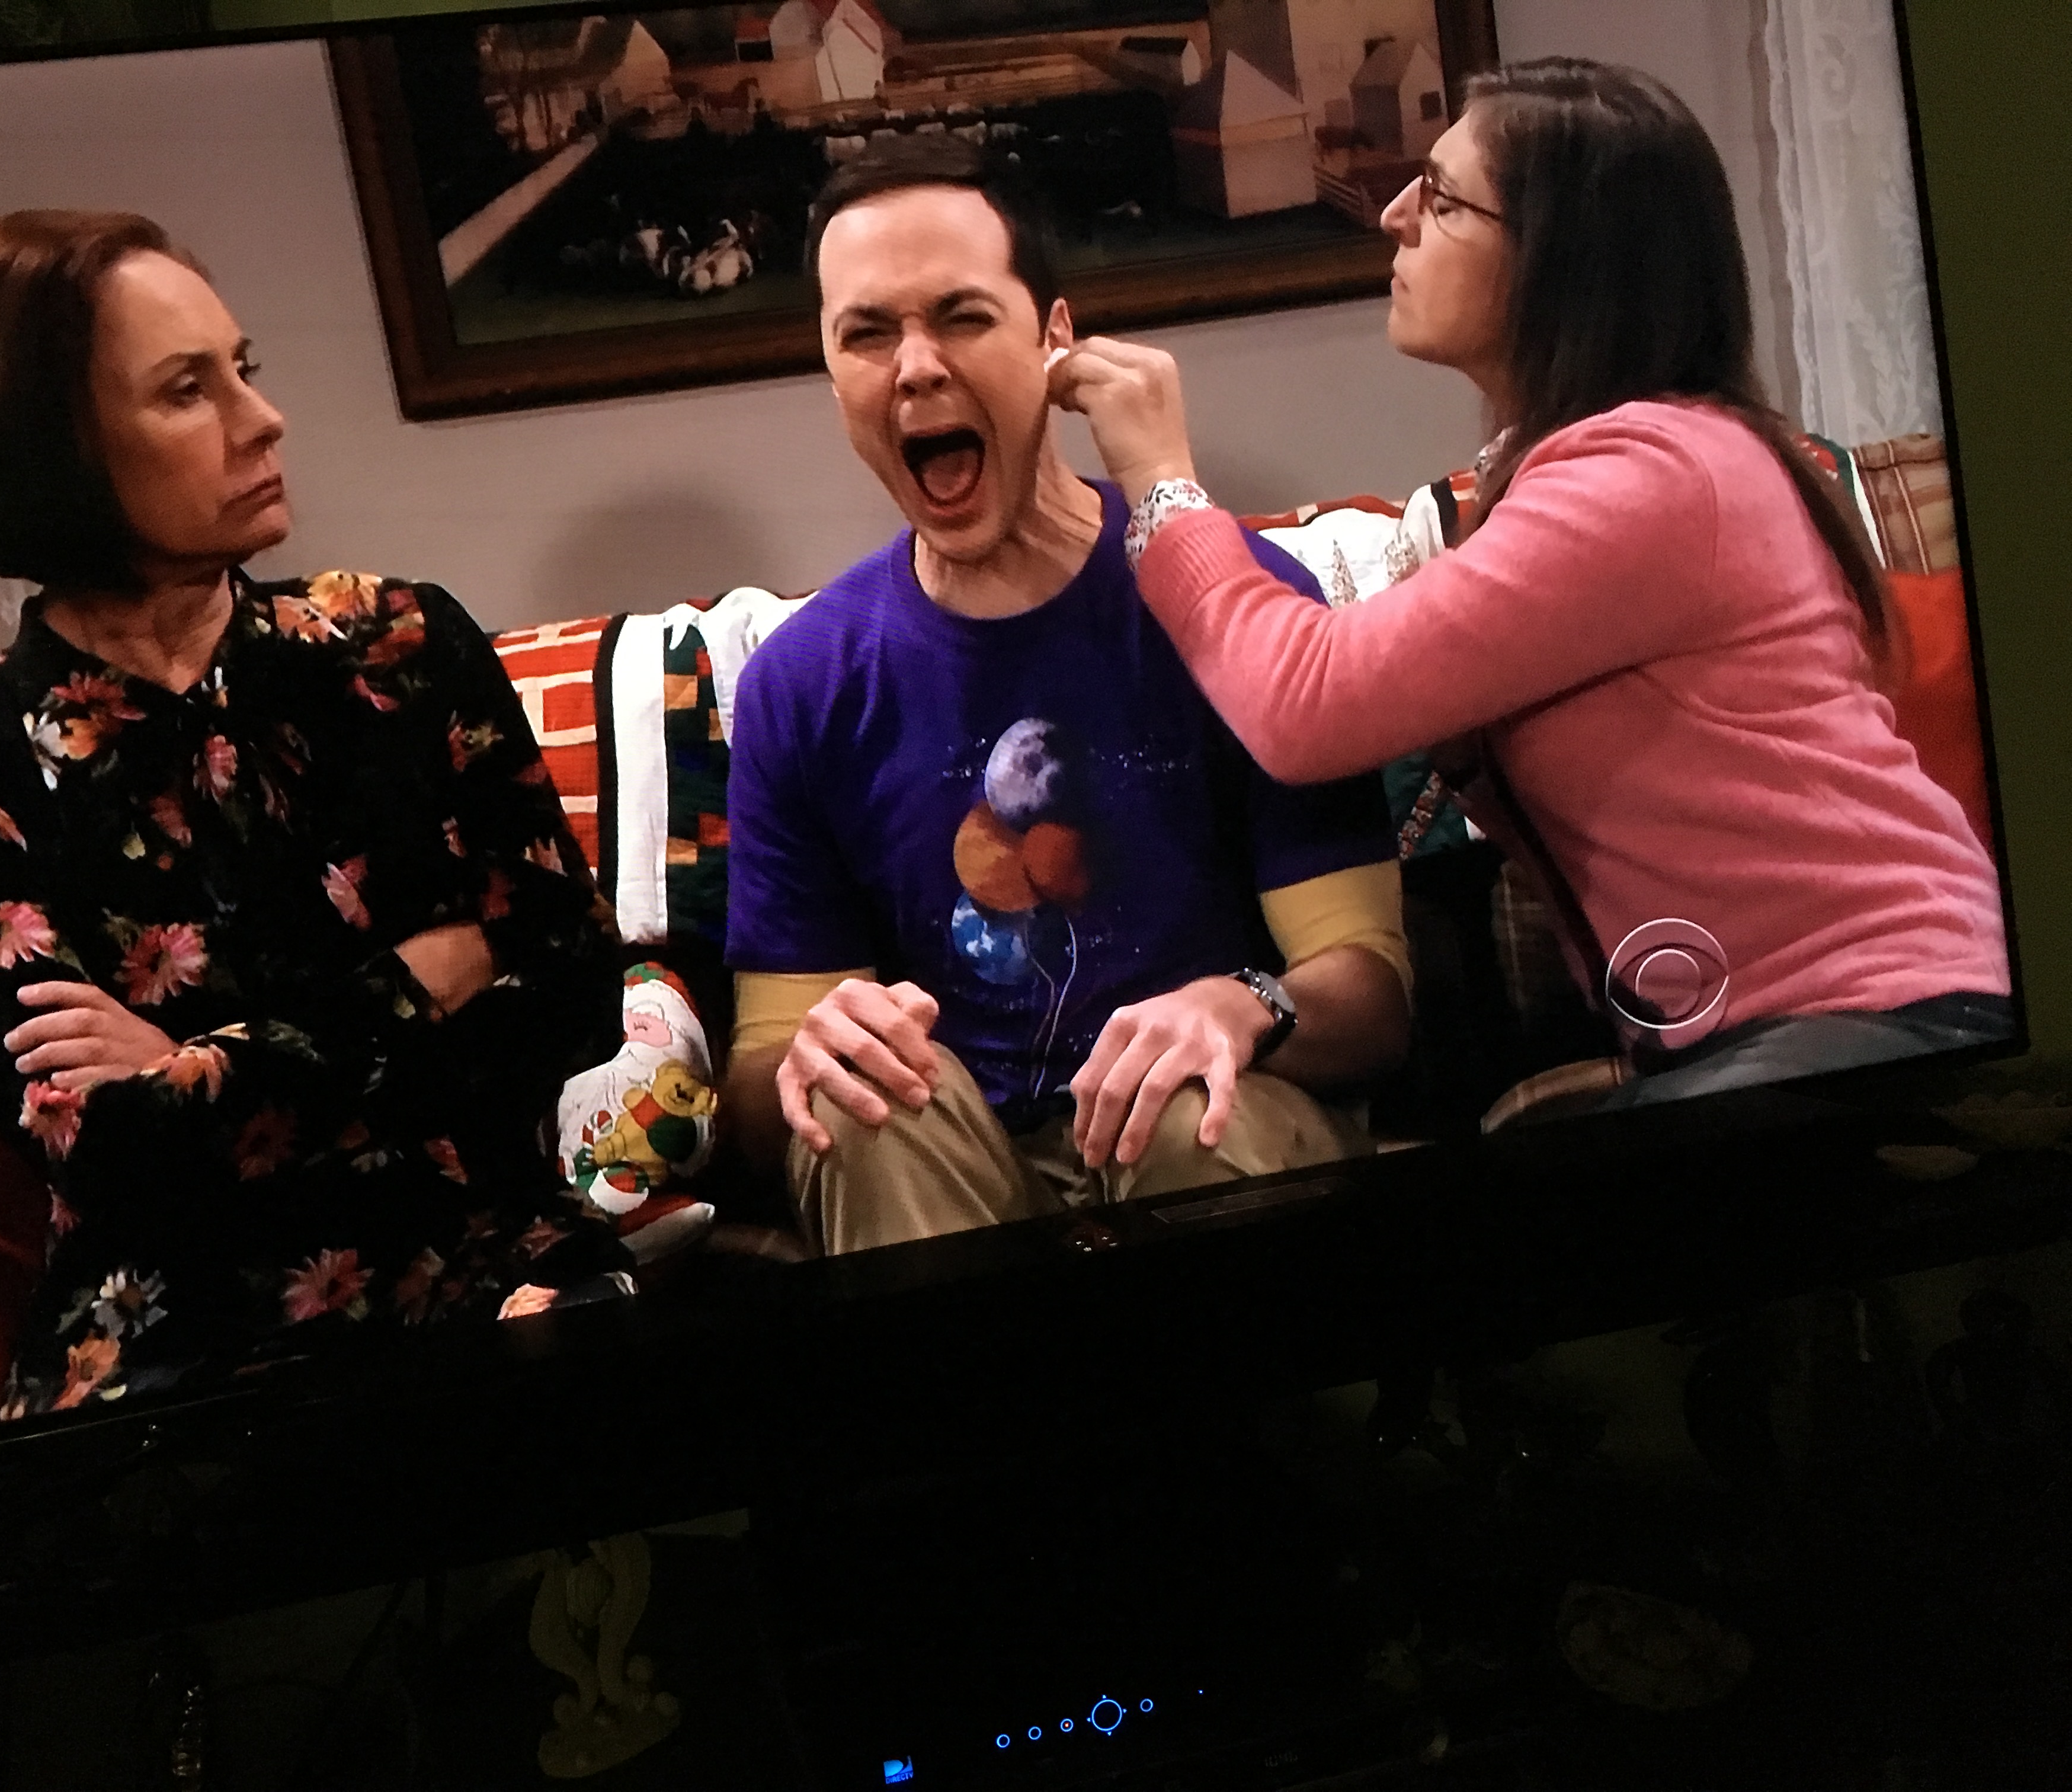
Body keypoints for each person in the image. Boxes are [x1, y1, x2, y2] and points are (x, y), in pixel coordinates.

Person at [1052, 59, 2011, 1108]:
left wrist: (1160, 479)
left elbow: (1303, 704)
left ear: (1564, 257)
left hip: (1889, 1014)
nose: (1394, 215)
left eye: (1443, 197)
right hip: (1770, 1033)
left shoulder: (1654, 474)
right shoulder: (1606, 465)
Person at [0, 210, 627, 1417]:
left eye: (243, 369)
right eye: (187, 391)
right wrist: (429, 977)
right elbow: (112, 1157)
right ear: (49, 447)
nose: (263, 419)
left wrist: (191, 1063)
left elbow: (575, 995)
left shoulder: (403, 645)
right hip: (174, 1344)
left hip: (490, 1264)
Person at [722, 137, 1413, 1256]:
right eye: (867, 334)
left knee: (1186, 1115)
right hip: (951, 1171)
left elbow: (1374, 1001)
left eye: (962, 317)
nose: (915, 368)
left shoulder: (1232, 601)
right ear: (833, 372)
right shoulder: (801, 685)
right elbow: (764, 1092)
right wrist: (809, 1055)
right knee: (866, 1111)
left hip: (1212, 1127)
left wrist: (1247, 1004)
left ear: (1055, 341)